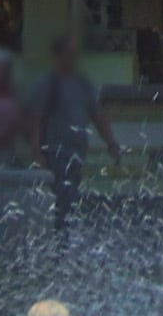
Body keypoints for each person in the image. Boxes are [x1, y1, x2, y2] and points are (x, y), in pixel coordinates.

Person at [32, 37, 118, 229]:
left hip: (77, 151)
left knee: (70, 194)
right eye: (67, 54)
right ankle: (61, 232)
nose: (72, 59)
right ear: (57, 57)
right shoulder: (48, 83)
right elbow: (36, 119)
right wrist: (37, 152)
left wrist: (110, 142)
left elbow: (98, 115)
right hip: (55, 151)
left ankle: (63, 230)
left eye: (73, 54)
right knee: (64, 194)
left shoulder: (82, 83)